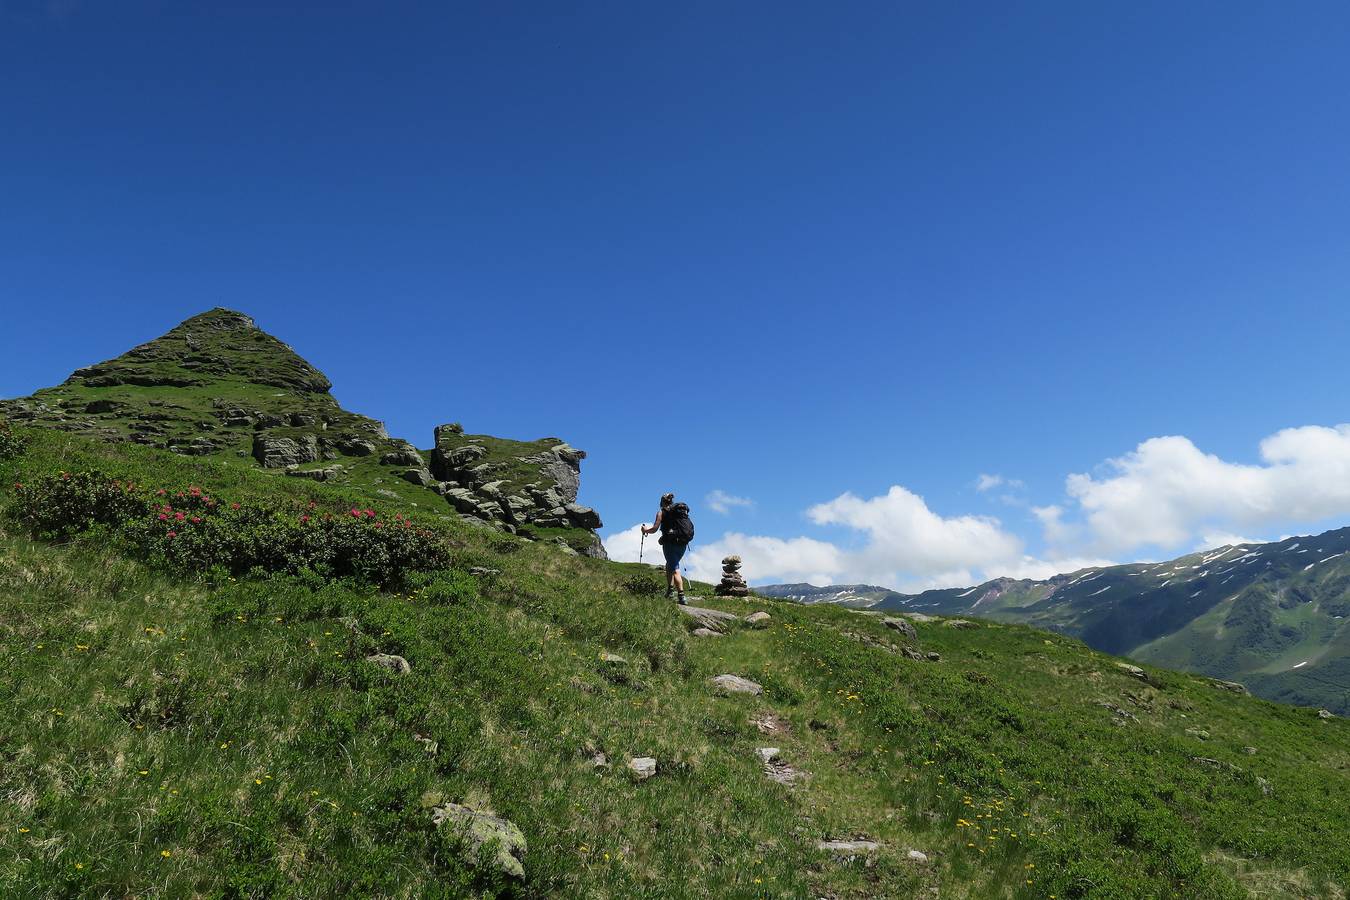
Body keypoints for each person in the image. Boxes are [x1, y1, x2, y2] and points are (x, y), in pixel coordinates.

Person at [641, 492, 694, 604]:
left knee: (675, 569)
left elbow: (655, 528)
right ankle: (670, 591)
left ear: (661, 502)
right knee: (670, 565)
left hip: (670, 544)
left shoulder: (662, 512)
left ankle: (681, 596)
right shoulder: (679, 511)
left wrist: (645, 530)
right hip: (683, 543)